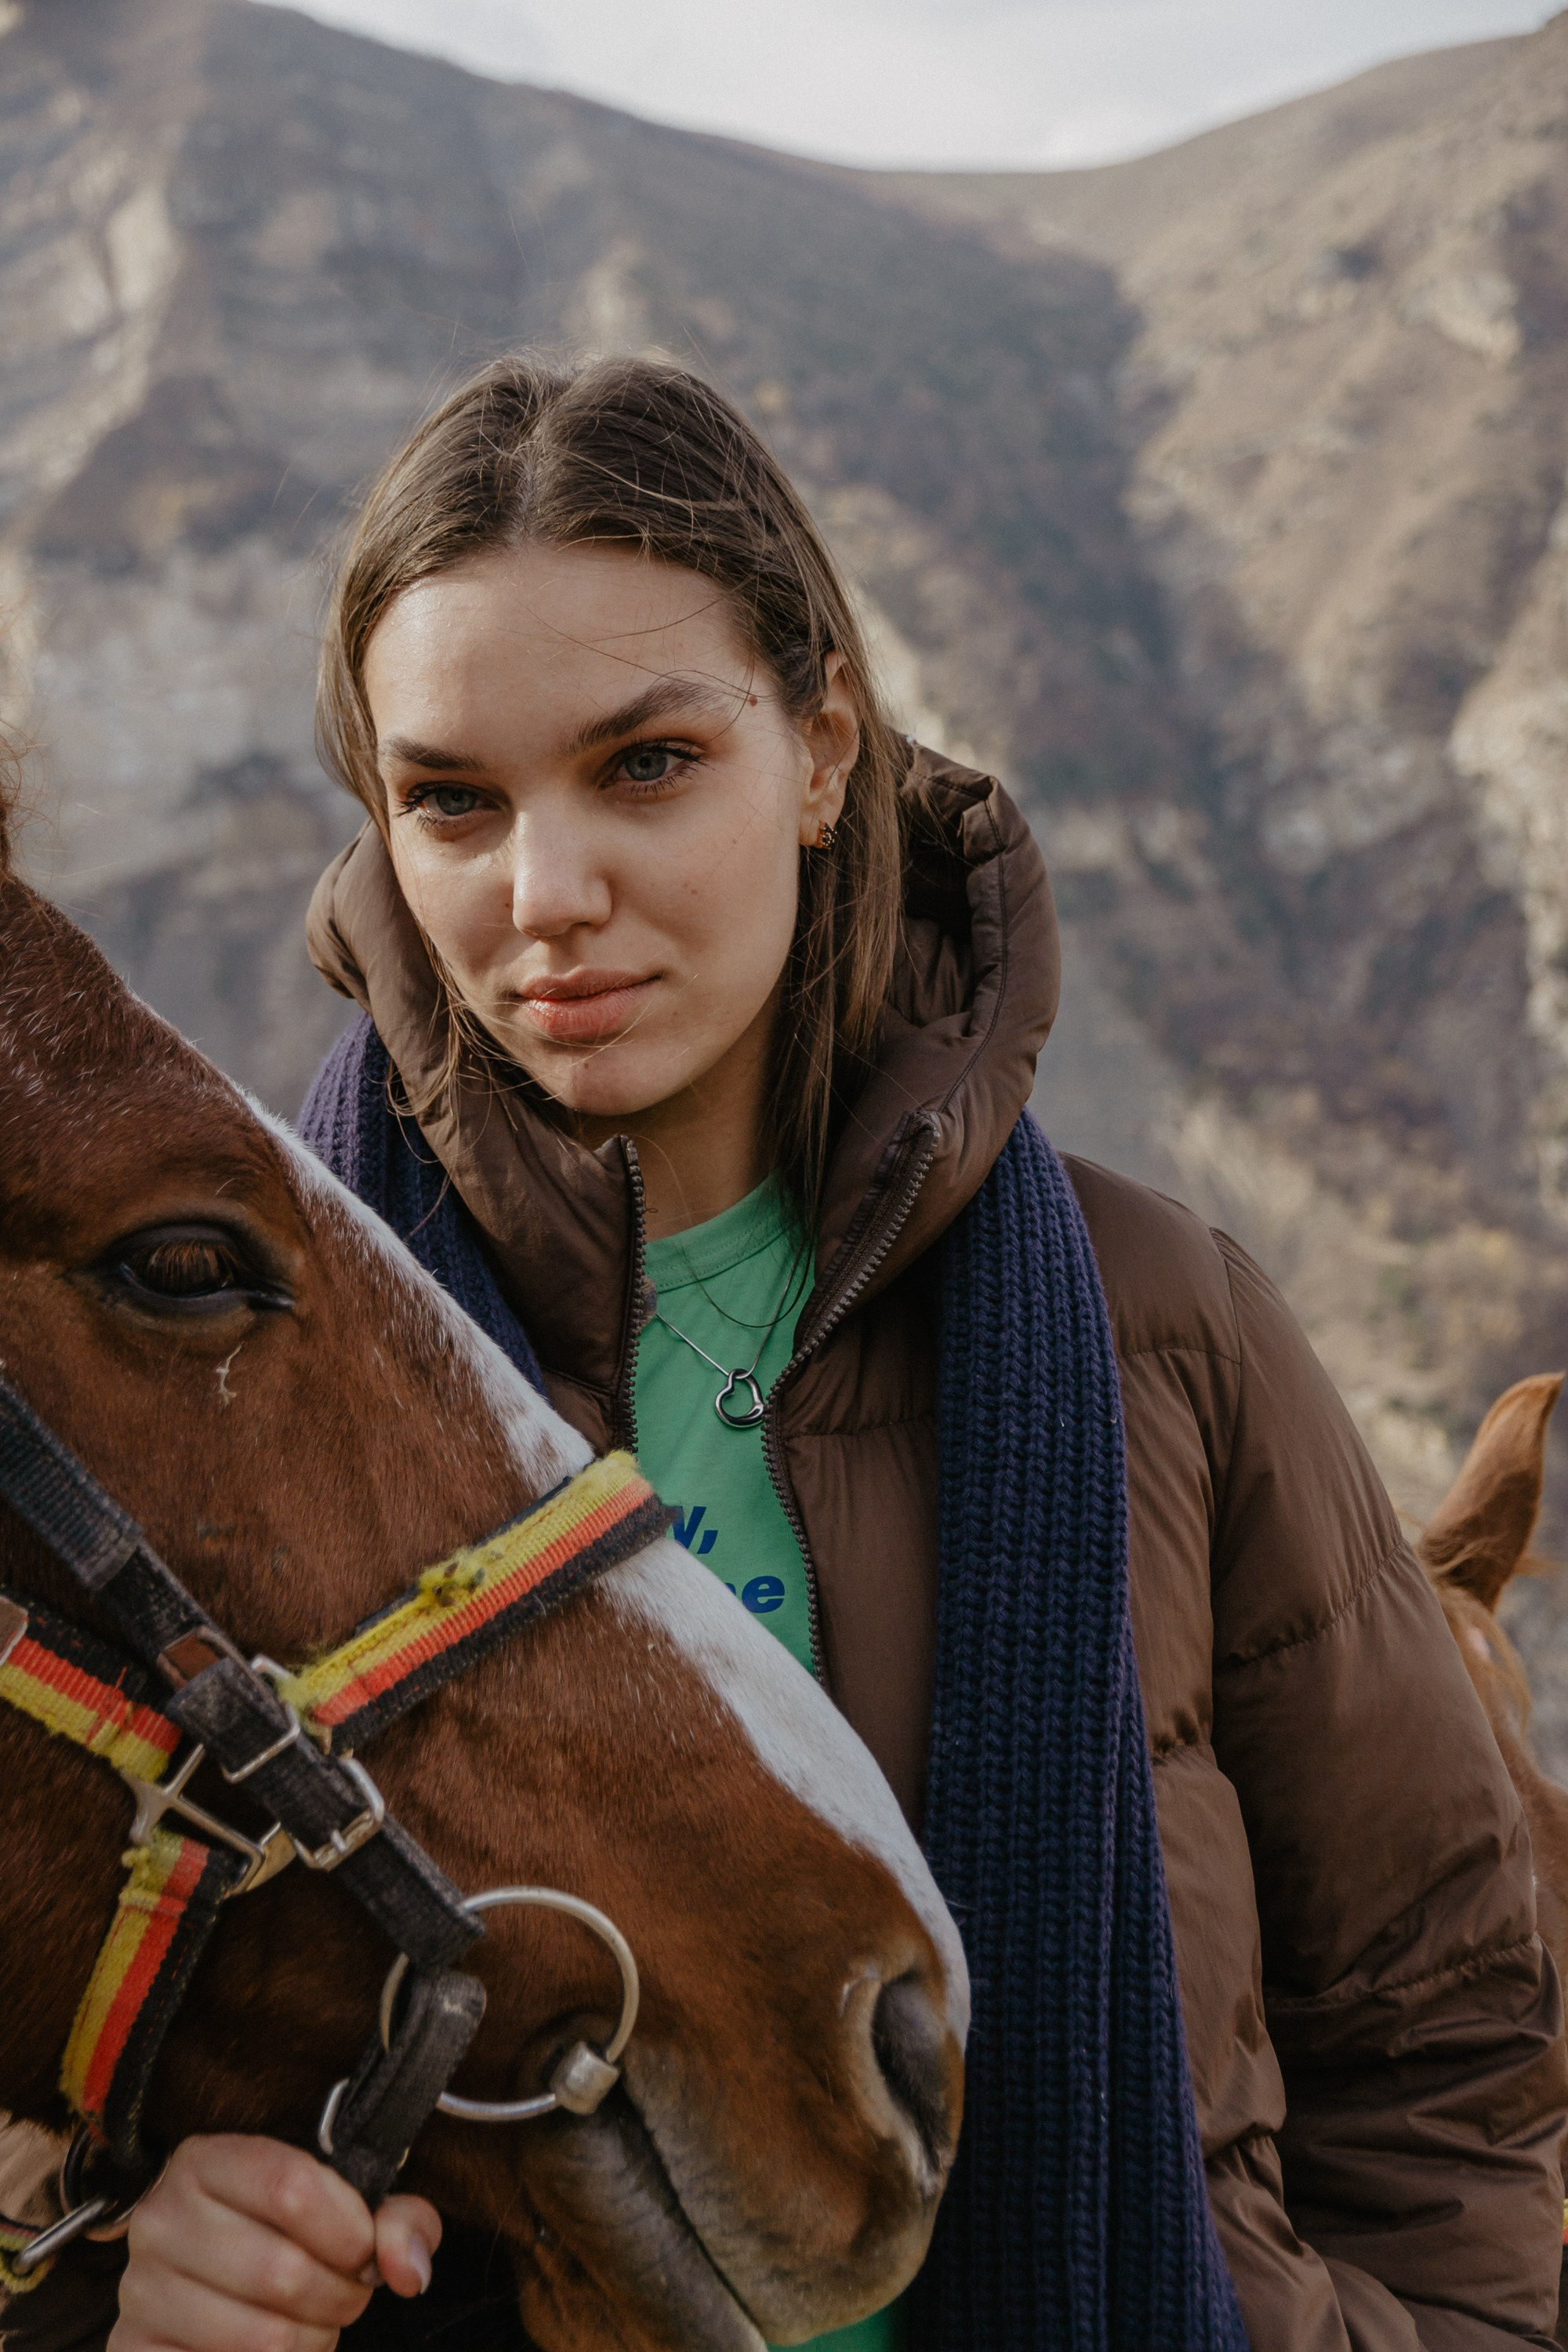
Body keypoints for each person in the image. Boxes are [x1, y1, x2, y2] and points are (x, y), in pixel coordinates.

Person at [11, 356, 1564, 2352]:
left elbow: (1438, 2029)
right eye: (451, 803)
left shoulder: (1162, 1323)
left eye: (645, 763)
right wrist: (127, 2290)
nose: (545, 898)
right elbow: (77, 2035)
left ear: (822, 744)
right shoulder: (208, 1357)